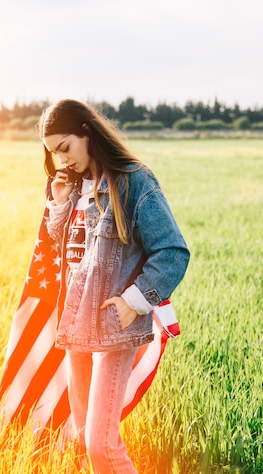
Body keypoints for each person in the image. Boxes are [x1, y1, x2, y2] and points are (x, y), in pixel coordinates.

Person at [37, 98, 190, 474]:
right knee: (87, 438)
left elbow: (172, 251)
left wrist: (134, 301)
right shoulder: (75, 186)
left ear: (87, 132)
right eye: (54, 153)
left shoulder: (133, 180)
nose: (62, 161)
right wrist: (59, 205)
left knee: (101, 446)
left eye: (65, 148)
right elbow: (70, 253)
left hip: (112, 328)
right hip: (74, 328)